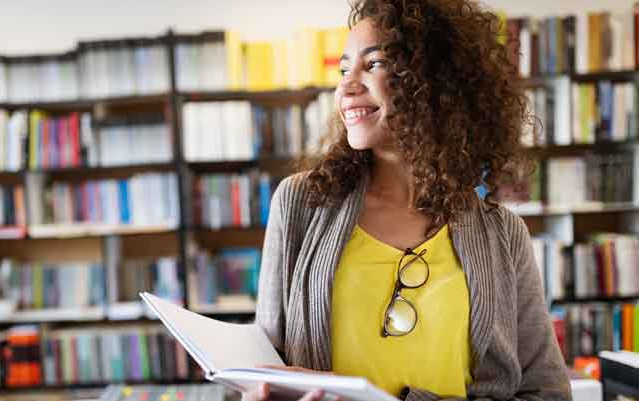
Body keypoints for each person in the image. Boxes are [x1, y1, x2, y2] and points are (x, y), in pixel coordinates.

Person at [244, 0, 572, 400]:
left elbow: (548, 392)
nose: (346, 86)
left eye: (373, 64)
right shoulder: (301, 203)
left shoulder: (502, 233)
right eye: (344, 69)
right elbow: (262, 366)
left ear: (432, 80)